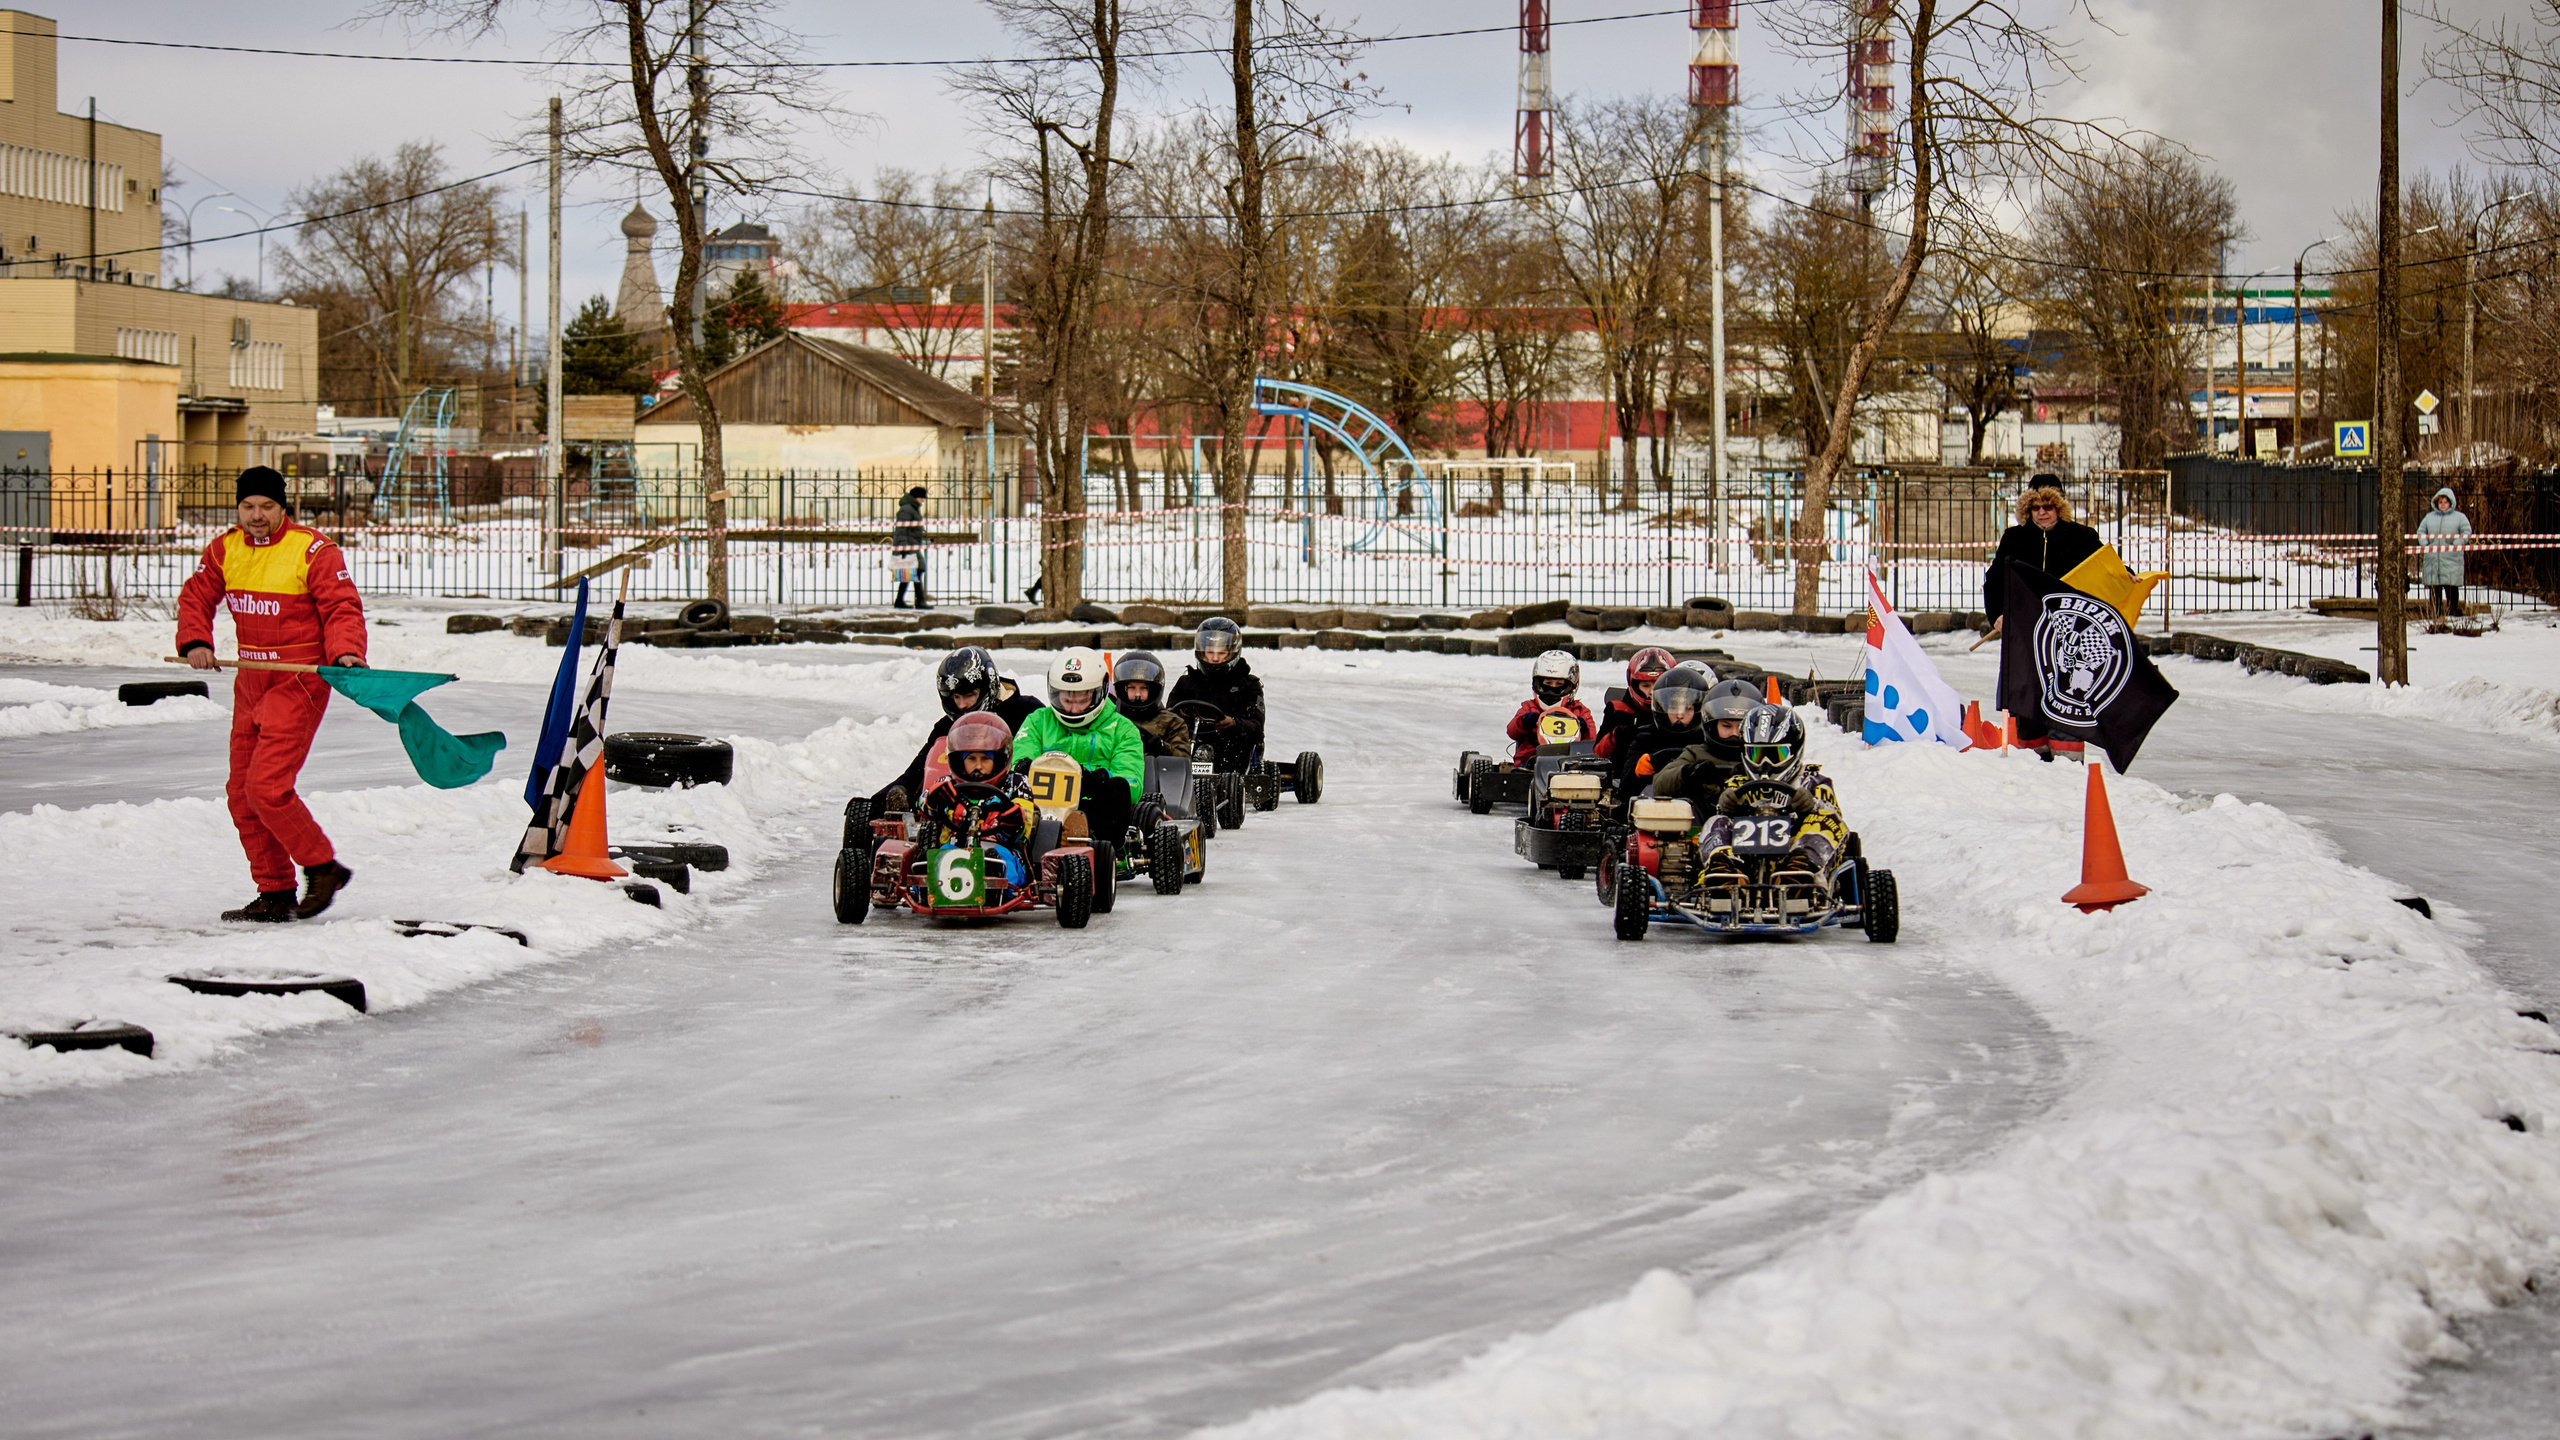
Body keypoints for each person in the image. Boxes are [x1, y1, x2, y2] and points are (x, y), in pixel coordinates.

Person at [177, 466, 369, 923]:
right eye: (248, 506)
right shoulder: (225, 548)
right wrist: (196, 641)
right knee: (241, 795)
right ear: (238, 509)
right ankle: (275, 892)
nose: (256, 515)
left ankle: (322, 866)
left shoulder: (314, 550)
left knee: (267, 787)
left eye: (266, 506)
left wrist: (345, 653)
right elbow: (197, 597)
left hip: (299, 677)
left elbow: (342, 606)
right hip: (251, 679)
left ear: (284, 507)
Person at [1981, 471, 2103, 757]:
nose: (2042, 513)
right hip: (2027, 635)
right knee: (2029, 703)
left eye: (2048, 506)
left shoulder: (2082, 538)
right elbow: (1995, 579)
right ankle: (2034, 765)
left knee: (2068, 697)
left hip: (2069, 636)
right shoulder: (2014, 539)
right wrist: (1996, 613)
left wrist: (2129, 579)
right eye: (2035, 507)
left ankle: (2068, 765)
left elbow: (2106, 569)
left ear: (2059, 507)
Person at [1697, 704, 1849, 898]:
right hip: (1746, 858)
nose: (1765, 764)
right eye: (1757, 755)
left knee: (1826, 819)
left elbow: (1837, 820)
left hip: (1794, 850)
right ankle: (1726, 874)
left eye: (1776, 755)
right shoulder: (1738, 784)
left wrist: (1812, 805)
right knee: (1714, 822)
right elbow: (1723, 817)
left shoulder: (1813, 782)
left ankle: (1800, 873)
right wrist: (1726, 806)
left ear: (1795, 752)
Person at [871, 646, 1045, 814]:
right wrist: (885, 797)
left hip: (1014, 804)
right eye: (956, 697)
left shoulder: (1026, 711)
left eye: (969, 696)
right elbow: (919, 769)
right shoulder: (948, 726)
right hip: (958, 807)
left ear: (987, 687)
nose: (962, 705)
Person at [1012, 646, 1144, 847]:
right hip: (1039, 807)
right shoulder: (1038, 720)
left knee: (1118, 788)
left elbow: (1132, 784)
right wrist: (1025, 766)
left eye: (1082, 700)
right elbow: (1019, 757)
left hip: (1091, 807)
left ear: (1099, 693)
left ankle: (1087, 839)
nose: (1073, 709)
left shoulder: (1123, 729)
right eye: (1066, 700)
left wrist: (1094, 779)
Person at [917, 711, 1040, 892]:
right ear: (958, 759)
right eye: (971, 759)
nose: (978, 766)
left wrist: (1014, 821)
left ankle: (994, 880)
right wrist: (932, 802)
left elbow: (1024, 830)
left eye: (985, 759)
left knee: (1002, 859)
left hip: (1001, 848)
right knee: (943, 853)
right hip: (955, 847)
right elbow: (922, 810)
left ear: (1000, 759)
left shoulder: (1016, 784)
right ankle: (931, 883)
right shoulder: (947, 784)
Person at [1168, 617, 1265, 773]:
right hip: (1191, 744)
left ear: (1232, 652)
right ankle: (1174, 774)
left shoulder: (1247, 685)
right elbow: (1168, 718)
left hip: (1231, 748)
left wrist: (1234, 723)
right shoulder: (1186, 683)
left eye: (1221, 653)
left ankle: (1228, 779)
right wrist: (1179, 714)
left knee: (1232, 744)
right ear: (1201, 651)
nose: (1214, 658)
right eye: (1210, 652)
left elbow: (1256, 727)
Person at [1649, 675, 1759, 807]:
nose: (1734, 733)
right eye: (1727, 726)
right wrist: (1688, 773)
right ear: (1712, 726)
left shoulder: (1760, 756)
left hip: (1755, 819)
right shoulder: (1696, 753)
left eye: (1742, 727)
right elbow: (1659, 784)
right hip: (1704, 819)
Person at [1604, 662, 1710, 796]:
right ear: (1662, 708)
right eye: (1673, 708)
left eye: (1687, 708)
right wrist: (1638, 772)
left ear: (1698, 709)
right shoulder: (1646, 738)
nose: (1679, 714)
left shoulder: (1706, 740)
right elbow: (1624, 790)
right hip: (1652, 807)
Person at [1506, 649, 1598, 764]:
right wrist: (1524, 721)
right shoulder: (1529, 707)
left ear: (1571, 686)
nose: (1552, 689)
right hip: (1531, 761)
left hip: (1571, 762)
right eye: (1547, 683)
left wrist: (1583, 727)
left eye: (1559, 684)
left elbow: (1592, 741)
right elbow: (1511, 731)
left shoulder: (1579, 710)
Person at [1593, 646, 1677, 760]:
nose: (1652, 692)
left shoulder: (1681, 712)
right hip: (1624, 772)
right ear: (1634, 684)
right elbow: (1597, 754)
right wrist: (1618, 735)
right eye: (1646, 686)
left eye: (1658, 685)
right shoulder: (1617, 710)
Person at [1112, 650, 1193, 757]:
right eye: (1131, 688)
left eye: (1143, 688)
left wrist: (1163, 748)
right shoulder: (1112, 721)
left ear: (1153, 690)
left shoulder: (1172, 723)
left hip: (1161, 772)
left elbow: (1184, 760)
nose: (1137, 694)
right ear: (1123, 689)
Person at [2419, 486, 2472, 618]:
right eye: (2440, 502)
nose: (2443, 505)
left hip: (2452, 558)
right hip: (2432, 559)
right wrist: (2426, 544)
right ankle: (2435, 612)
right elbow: (2421, 532)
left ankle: (2452, 610)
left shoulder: (2460, 517)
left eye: (2445, 502)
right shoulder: (2428, 517)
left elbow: (2466, 532)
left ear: (2451, 503)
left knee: (2451, 587)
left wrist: (2456, 543)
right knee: (2434, 588)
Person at [890, 485, 929, 609]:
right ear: (916, 497)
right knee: (917, 570)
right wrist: (904, 548)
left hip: (912, 544)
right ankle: (920, 601)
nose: (923, 500)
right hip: (908, 545)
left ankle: (900, 600)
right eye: (922, 498)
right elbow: (901, 529)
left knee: (911, 572)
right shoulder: (907, 509)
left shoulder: (912, 508)